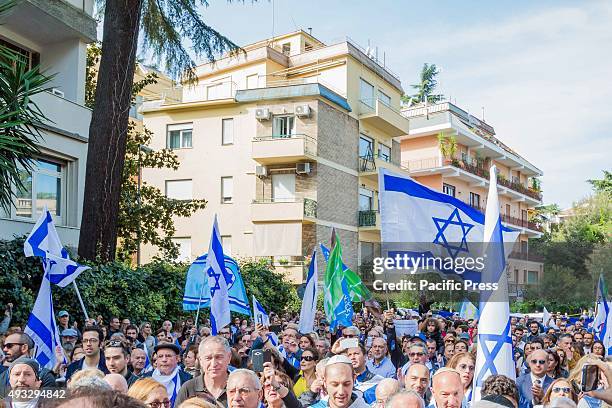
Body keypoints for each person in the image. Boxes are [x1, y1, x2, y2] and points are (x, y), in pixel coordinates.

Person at [175, 336, 230, 406]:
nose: (213, 364)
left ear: (229, 357)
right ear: (200, 360)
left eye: (219, 357)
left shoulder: (239, 387)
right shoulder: (188, 388)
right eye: (208, 358)